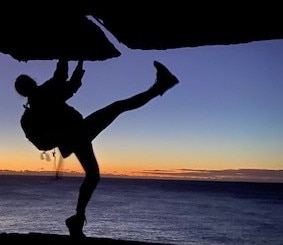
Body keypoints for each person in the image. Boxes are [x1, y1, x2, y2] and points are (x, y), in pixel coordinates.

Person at [14, 59, 179, 239]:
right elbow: (62, 78)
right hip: (79, 132)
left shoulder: (36, 105)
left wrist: (78, 63)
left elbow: (67, 85)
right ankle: (161, 85)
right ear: (31, 83)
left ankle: (77, 219)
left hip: (75, 137)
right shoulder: (44, 95)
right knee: (119, 107)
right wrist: (69, 55)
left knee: (93, 174)